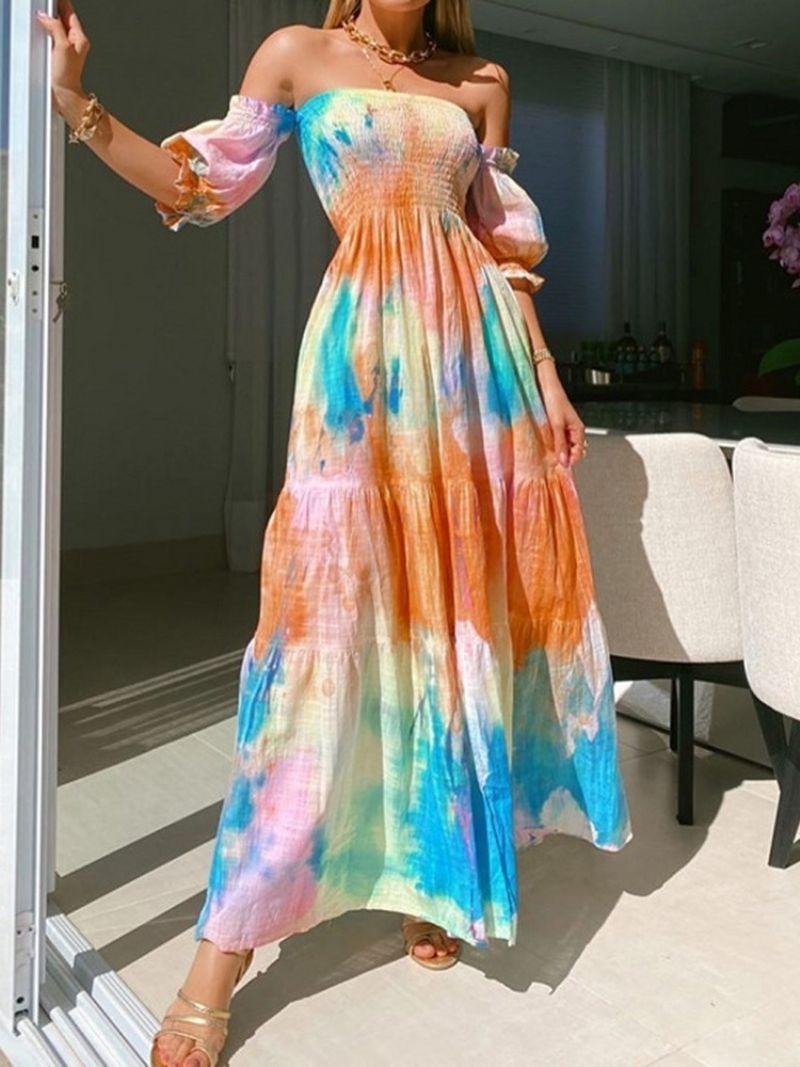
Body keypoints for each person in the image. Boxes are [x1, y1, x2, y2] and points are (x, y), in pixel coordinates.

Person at [38, 1, 634, 1064]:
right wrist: (79, 105)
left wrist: (545, 376)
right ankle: (223, 947)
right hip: (360, 365)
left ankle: (432, 869)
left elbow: (500, 249)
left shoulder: (480, 80)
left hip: (477, 370)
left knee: (454, 616)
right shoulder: (294, 57)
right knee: (319, 630)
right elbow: (196, 185)